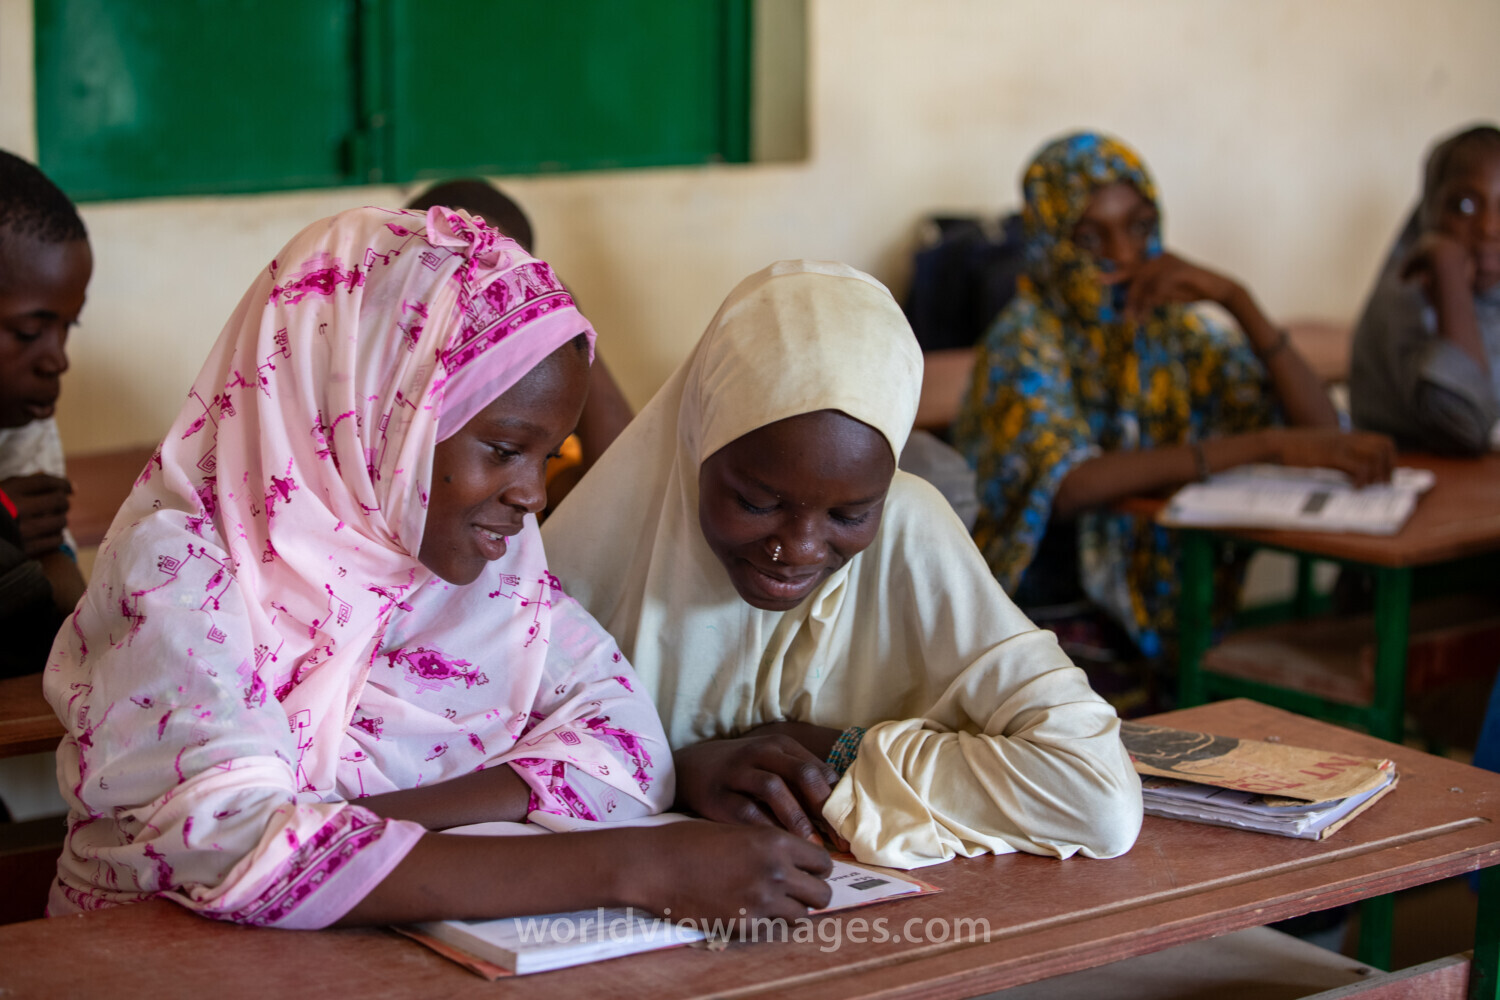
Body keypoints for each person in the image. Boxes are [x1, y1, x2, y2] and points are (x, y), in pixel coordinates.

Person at [45, 207, 831, 928]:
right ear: (377, 415)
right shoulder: (182, 567)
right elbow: (244, 850)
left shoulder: (471, 558)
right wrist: (636, 865)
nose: (530, 494)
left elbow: (628, 752)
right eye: (503, 450)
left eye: (546, 454)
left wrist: (371, 825)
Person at [542, 259, 1143, 871]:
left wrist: (823, 751)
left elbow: (1096, 795)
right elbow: (473, 774)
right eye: (756, 502)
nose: (799, 548)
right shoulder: (587, 565)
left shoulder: (912, 530)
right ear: (697, 439)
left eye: (851, 515)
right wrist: (676, 774)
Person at [951, 132, 1393, 662]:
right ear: (1051, 240)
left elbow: (1321, 435)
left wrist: (1238, 301)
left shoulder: (1170, 330)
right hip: (1041, 618)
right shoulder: (1023, 338)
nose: (1123, 254)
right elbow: (1068, 483)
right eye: (1090, 238)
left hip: (1154, 614)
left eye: (1138, 228)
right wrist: (1266, 446)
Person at [406, 179, 634, 508]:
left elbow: (620, 495)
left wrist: (563, 317)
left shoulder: (524, 420)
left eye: (495, 267)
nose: (470, 287)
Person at [1350, 124, 1500, 454]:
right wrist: (1447, 272)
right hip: (1425, 487)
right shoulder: (1404, 296)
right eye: (1465, 207)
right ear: (1428, 210)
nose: (1489, 227)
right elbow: (1464, 425)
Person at [0, 149, 89, 677]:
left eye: (67, 326)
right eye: (30, 333)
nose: (58, 359)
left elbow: (57, 576)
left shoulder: (19, 412)